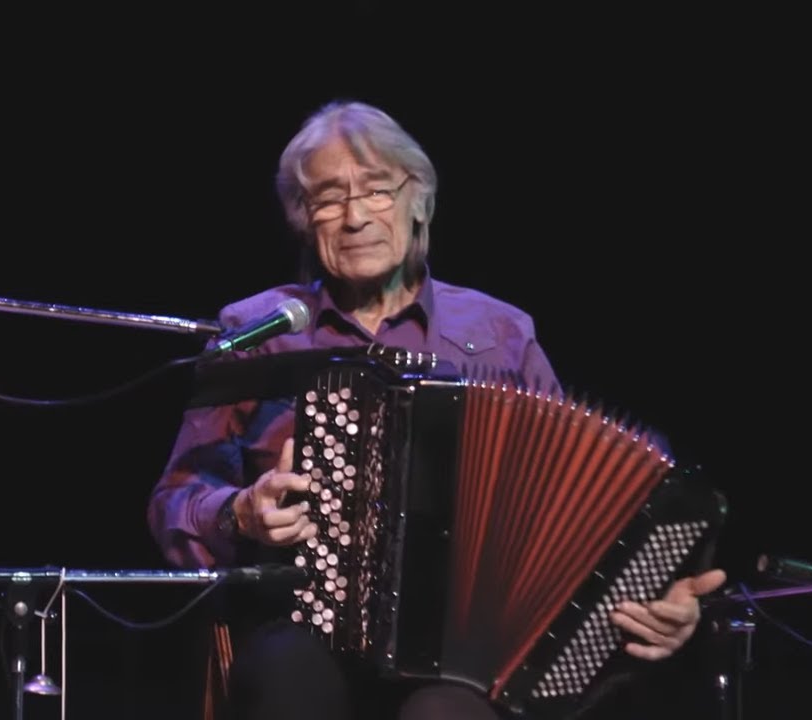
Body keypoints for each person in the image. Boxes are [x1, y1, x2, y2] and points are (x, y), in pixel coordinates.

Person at [149, 100, 727, 720]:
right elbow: (175, 499)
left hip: (467, 650)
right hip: (302, 627)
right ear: (302, 219)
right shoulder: (257, 330)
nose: (353, 217)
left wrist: (656, 595)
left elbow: (582, 509)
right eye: (327, 198)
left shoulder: (502, 330)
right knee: (293, 686)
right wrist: (239, 514)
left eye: (376, 190)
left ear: (419, 201)